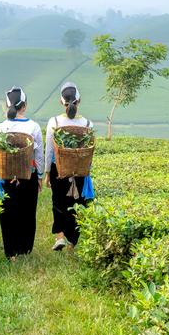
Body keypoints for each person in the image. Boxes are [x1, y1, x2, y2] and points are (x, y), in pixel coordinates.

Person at [42, 82, 95, 251]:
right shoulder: (88, 124)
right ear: (79, 100)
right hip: (79, 170)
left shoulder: (54, 121)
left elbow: (49, 149)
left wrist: (47, 173)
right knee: (76, 203)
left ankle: (60, 237)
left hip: (59, 168)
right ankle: (72, 244)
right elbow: (89, 151)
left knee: (58, 201)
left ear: (61, 102)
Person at [0, 85, 44, 260]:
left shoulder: (1, 128)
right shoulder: (33, 127)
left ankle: (11, 252)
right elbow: (39, 155)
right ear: (25, 105)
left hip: (6, 175)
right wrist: (39, 177)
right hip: (27, 175)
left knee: (8, 213)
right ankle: (24, 248)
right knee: (27, 212)